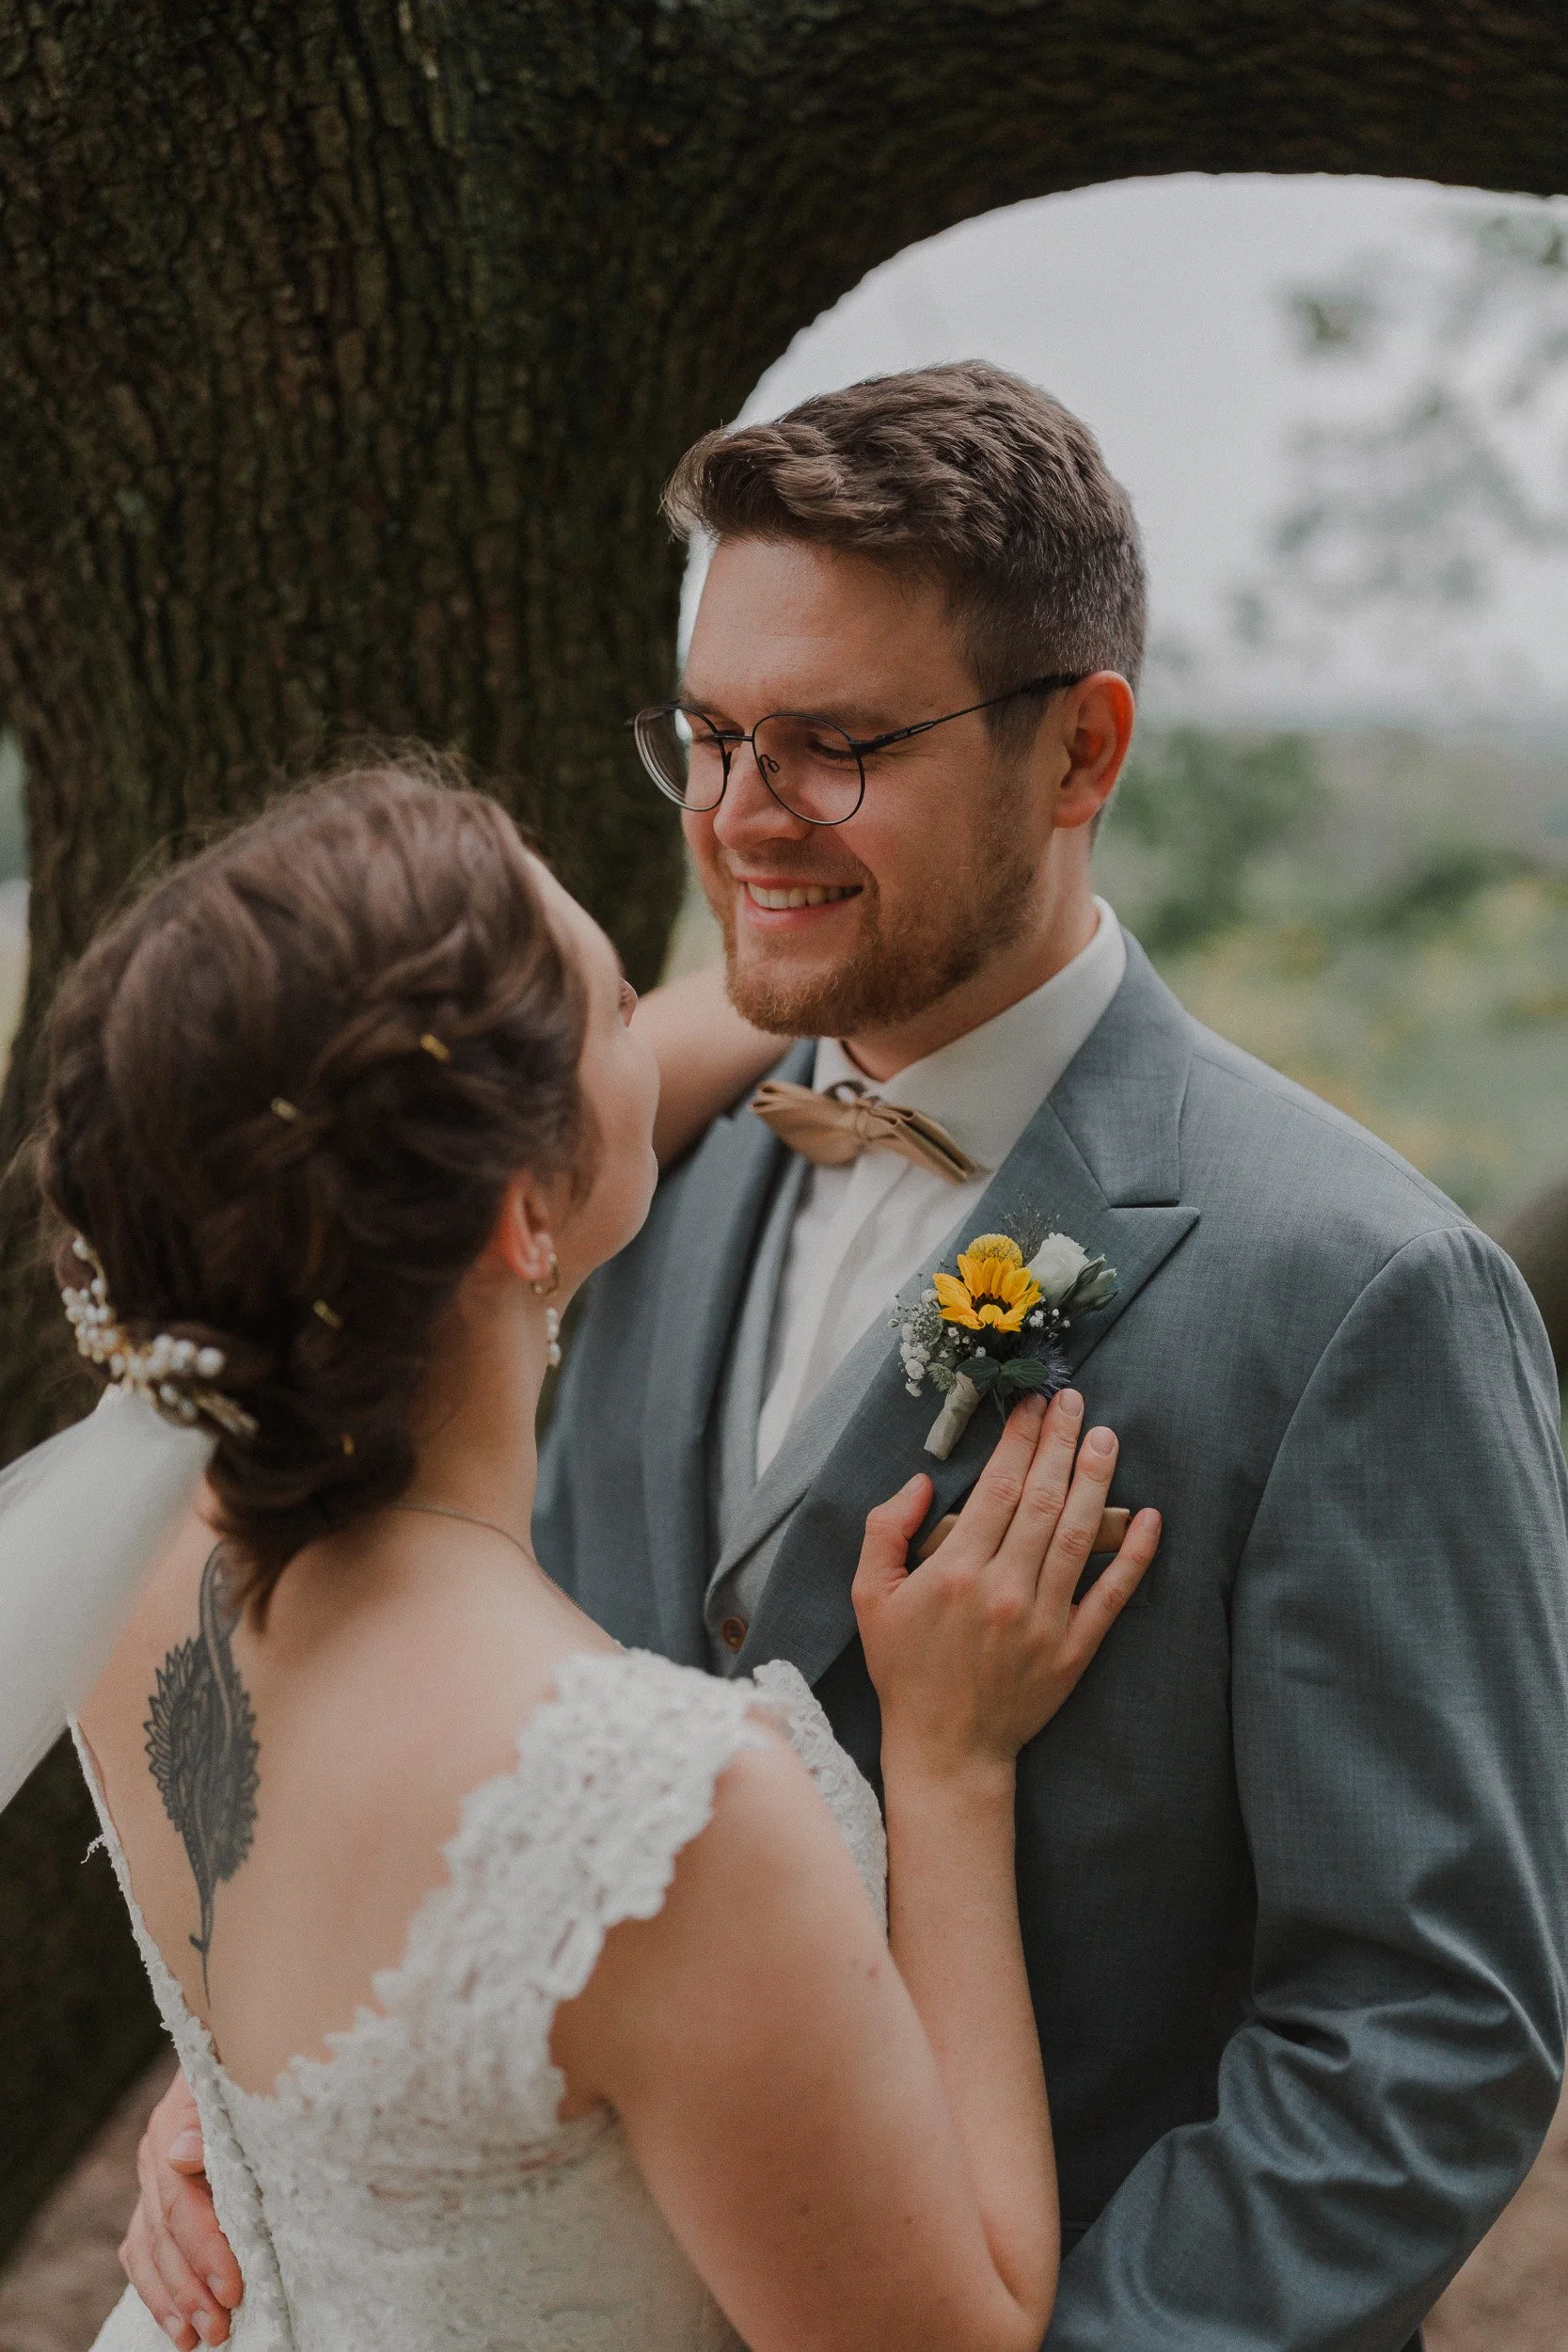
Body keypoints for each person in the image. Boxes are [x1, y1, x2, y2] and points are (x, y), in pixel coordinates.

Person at [132, 362, 1568, 2350]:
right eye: (710, 734)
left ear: (1080, 752)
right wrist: (306, 2118)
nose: (738, 814)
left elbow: (1426, 2028)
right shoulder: (613, 1179)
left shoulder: (1359, 1291)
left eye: (831, 743)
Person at [21, 757, 1157, 2352]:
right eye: (621, 1008)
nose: (658, 1029)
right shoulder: (658, 1815)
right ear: (513, 1220)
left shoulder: (134, 1576)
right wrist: (952, 1765)